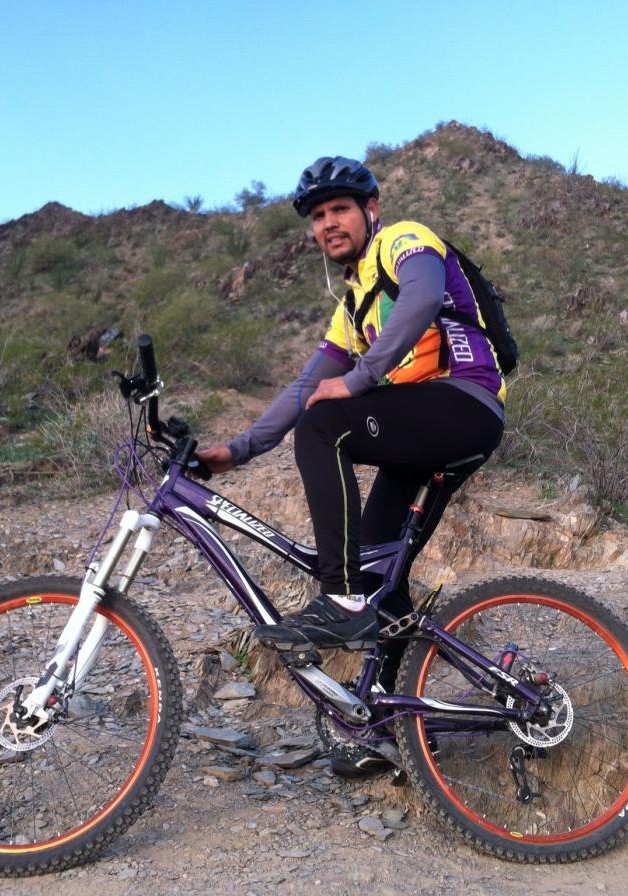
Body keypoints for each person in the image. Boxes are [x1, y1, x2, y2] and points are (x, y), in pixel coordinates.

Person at [197, 157, 505, 766]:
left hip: (462, 402)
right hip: (420, 428)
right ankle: (381, 726)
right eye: (318, 216)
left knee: (325, 422)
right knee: (375, 565)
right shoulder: (353, 304)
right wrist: (235, 451)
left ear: (371, 208)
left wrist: (361, 377)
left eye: (340, 209)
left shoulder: (403, 240)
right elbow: (304, 382)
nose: (329, 223)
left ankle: (338, 600)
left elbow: (421, 297)